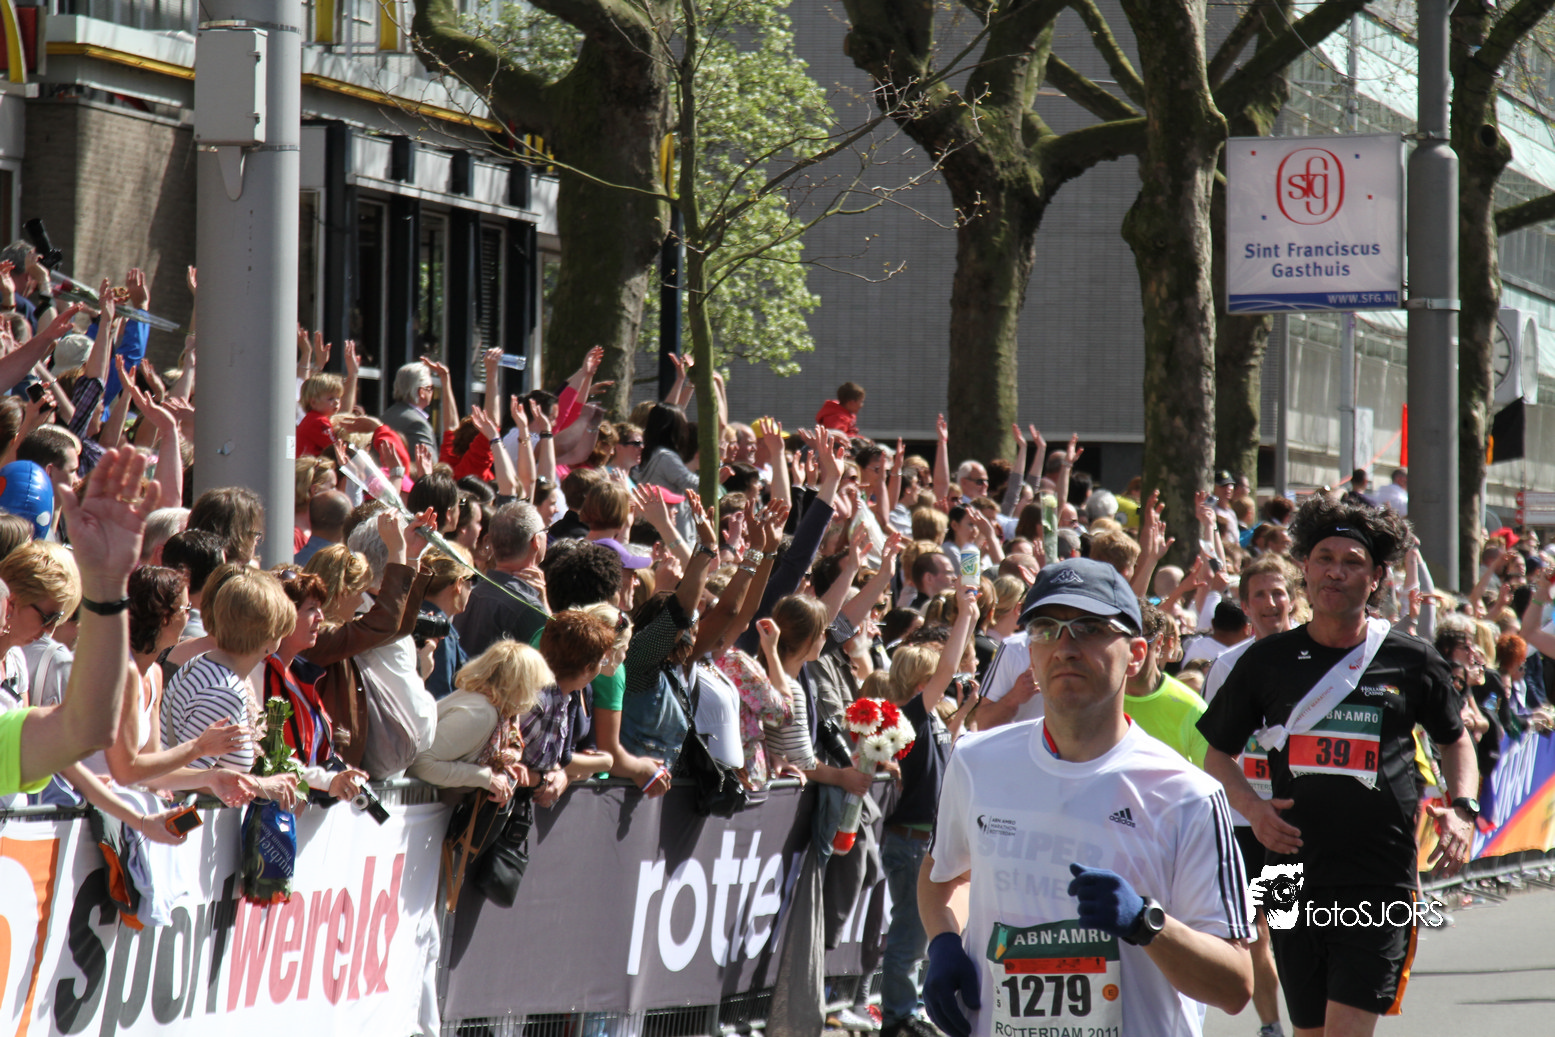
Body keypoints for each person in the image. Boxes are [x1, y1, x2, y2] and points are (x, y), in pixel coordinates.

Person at [919, 558, 1253, 1037]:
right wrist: (944, 942)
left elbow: (1235, 985)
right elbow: (942, 875)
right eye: (1046, 630)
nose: (1065, 647)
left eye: (1090, 629)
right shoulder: (975, 760)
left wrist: (1147, 924)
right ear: (1031, 653)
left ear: (1136, 655)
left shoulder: (1189, 794)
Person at [1198, 496, 1478, 1037]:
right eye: (1324, 558)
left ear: (1376, 579)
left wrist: (1462, 809)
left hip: (1378, 873)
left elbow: (1455, 740)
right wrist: (1254, 810)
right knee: (1307, 1029)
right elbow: (1217, 756)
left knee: (1346, 1030)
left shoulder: (1410, 658)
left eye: (1352, 562)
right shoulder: (1265, 660)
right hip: (1285, 868)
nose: (1336, 571)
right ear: (1304, 569)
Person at [2, 447, 161, 796]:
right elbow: (86, 729)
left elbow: (88, 730)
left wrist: (108, 582)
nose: (50, 631)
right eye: (47, 616)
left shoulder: (16, 663)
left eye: (58, 618)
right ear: (9, 601)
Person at [1200, 553, 1305, 1037]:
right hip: (1244, 820)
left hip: (1296, 816)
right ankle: (1271, 1026)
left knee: (1291, 931)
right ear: (1245, 606)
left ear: (1293, 598)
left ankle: (1308, 1021)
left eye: (1278, 592)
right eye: (1259, 594)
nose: (1270, 602)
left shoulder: (1317, 658)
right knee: (1257, 930)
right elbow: (1215, 749)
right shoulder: (1227, 665)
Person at [876, 584, 978, 1037]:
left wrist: (964, 712)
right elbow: (951, 666)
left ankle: (908, 1009)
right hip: (909, 840)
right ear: (922, 683)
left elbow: (944, 752)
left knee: (919, 934)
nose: (947, 681)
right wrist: (965, 615)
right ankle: (898, 1016)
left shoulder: (929, 719)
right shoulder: (909, 714)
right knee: (909, 933)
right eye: (937, 678)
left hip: (924, 839)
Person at [454, 501, 549, 657]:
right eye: (545, 531)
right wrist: (542, 606)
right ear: (536, 541)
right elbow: (552, 660)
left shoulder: (468, 596)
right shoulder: (527, 608)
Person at [382, 360, 437, 457]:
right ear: (421, 392)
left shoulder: (386, 415)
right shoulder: (417, 424)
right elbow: (430, 462)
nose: (432, 392)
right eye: (430, 388)